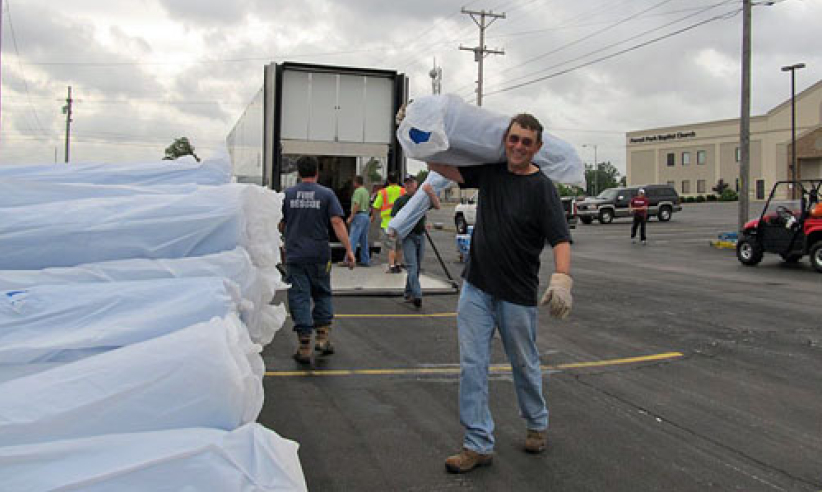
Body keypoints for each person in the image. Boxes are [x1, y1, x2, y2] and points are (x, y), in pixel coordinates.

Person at [428, 113, 573, 474]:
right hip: (476, 287)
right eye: (514, 139)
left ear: (537, 148)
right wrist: (415, 126)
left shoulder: (542, 189)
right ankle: (477, 444)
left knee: (524, 363)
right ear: (504, 141)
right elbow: (441, 164)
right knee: (472, 365)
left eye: (526, 141)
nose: (518, 146)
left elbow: (560, 238)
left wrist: (562, 280)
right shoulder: (490, 173)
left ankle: (536, 422)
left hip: (517, 295)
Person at [280, 156, 355, 364]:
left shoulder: (288, 195)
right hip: (320, 255)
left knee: (299, 296)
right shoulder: (326, 194)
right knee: (322, 293)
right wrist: (349, 249)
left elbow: (281, 224)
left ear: (298, 173)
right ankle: (322, 338)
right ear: (317, 172)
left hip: (295, 255)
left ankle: (304, 346)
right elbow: (337, 222)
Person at [391, 175, 441, 308]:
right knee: (412, 266)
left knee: (417, 267)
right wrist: (393, 231)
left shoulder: (421, 199)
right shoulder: (400, 201)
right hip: (408, 237)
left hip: (420, 235)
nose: (408, 185)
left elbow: (437, 205)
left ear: (416, 184)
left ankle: (408, 293)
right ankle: (417, 295)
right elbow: (395, 218)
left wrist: (430, 193)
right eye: (406, 183)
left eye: (411, 183)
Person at [372, 172, 406, 273]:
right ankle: (398, 265)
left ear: (388, 181)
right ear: (398, 180)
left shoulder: (383, 192)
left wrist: (373, 216)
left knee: (391, 246)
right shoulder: (403, 191)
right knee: (399, 246)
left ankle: (391, 266)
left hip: (388, 223)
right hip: (401, 223)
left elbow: (376, 206)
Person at [346, 175, 371, 266]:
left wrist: (351, 217)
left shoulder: (357, 191)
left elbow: (356, 204)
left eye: (353, 182)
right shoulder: (366, 191)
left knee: (353, 238)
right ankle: (365, 260)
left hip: (358, 216)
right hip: (366, 216)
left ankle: (349, 260)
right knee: (364, 240)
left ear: (356, 182)